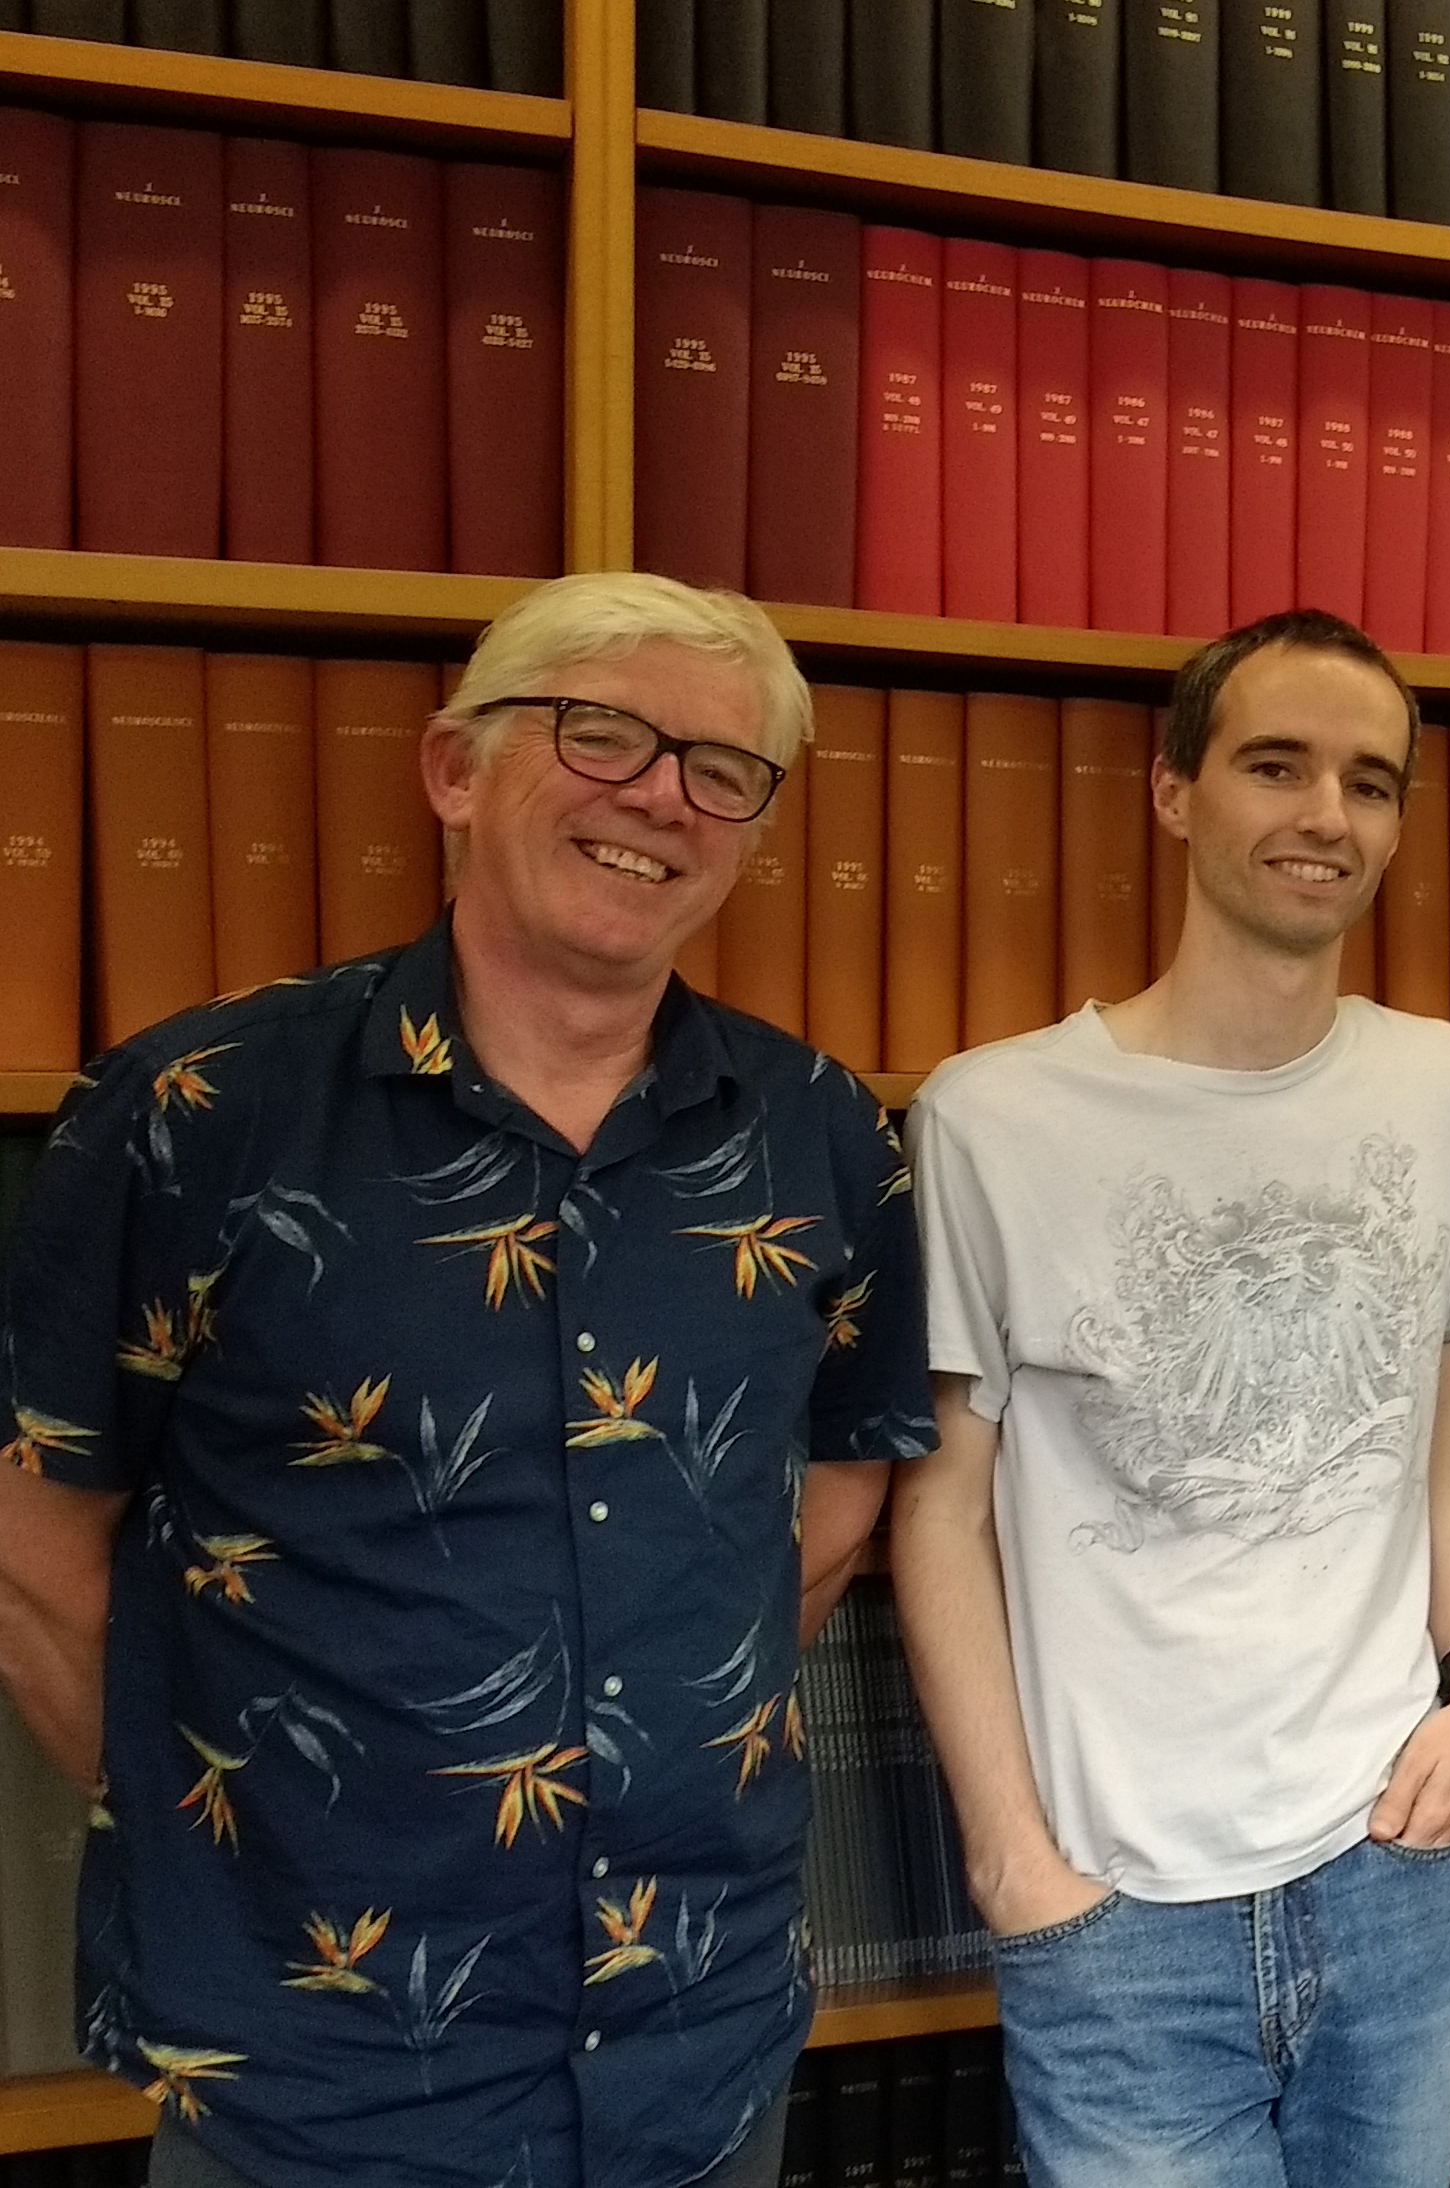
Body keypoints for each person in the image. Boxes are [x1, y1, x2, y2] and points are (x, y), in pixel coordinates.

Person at [0, 573, 934, 2187]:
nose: (663, 796)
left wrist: (639, 1733)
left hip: (695, 2039)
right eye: (604, 734)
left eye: (725, 771)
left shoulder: (825, 1137)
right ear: (455, 770)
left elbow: (842, 1494)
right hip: (312, 2058)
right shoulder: (197, 1112)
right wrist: (255, 1824)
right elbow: (37, 1550)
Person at [894, 609, 1450, 2188]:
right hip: (1116, 1905)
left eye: (1372, 783)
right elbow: (941, 1509)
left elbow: (1437, 1439)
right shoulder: (993, 1118)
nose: (1329, 816)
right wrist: (1013, 1859)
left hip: (1398, 1862)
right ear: (1174, 791)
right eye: (1277, 765)